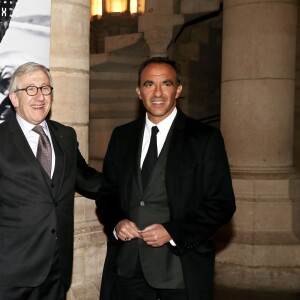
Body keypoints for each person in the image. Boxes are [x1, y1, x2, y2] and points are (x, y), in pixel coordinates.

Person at [96, 57, 236, 300]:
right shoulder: (122, 136)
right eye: (149, 84)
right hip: (128, 267)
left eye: (167, 84)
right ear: (139, 92)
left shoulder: (204, 139)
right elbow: (107, 193)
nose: (158, 92)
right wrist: (117, 222)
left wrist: (173, 232)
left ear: (178, 90)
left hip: (180, 268)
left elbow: (221, 204)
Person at [0, 62, 102, 299]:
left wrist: (130, 187)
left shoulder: (65, 135)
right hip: (10, 272)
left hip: (57, 270)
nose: (40, 96)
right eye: (31, 89)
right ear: (14, 99)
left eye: (45, 88)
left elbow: (86, 177)